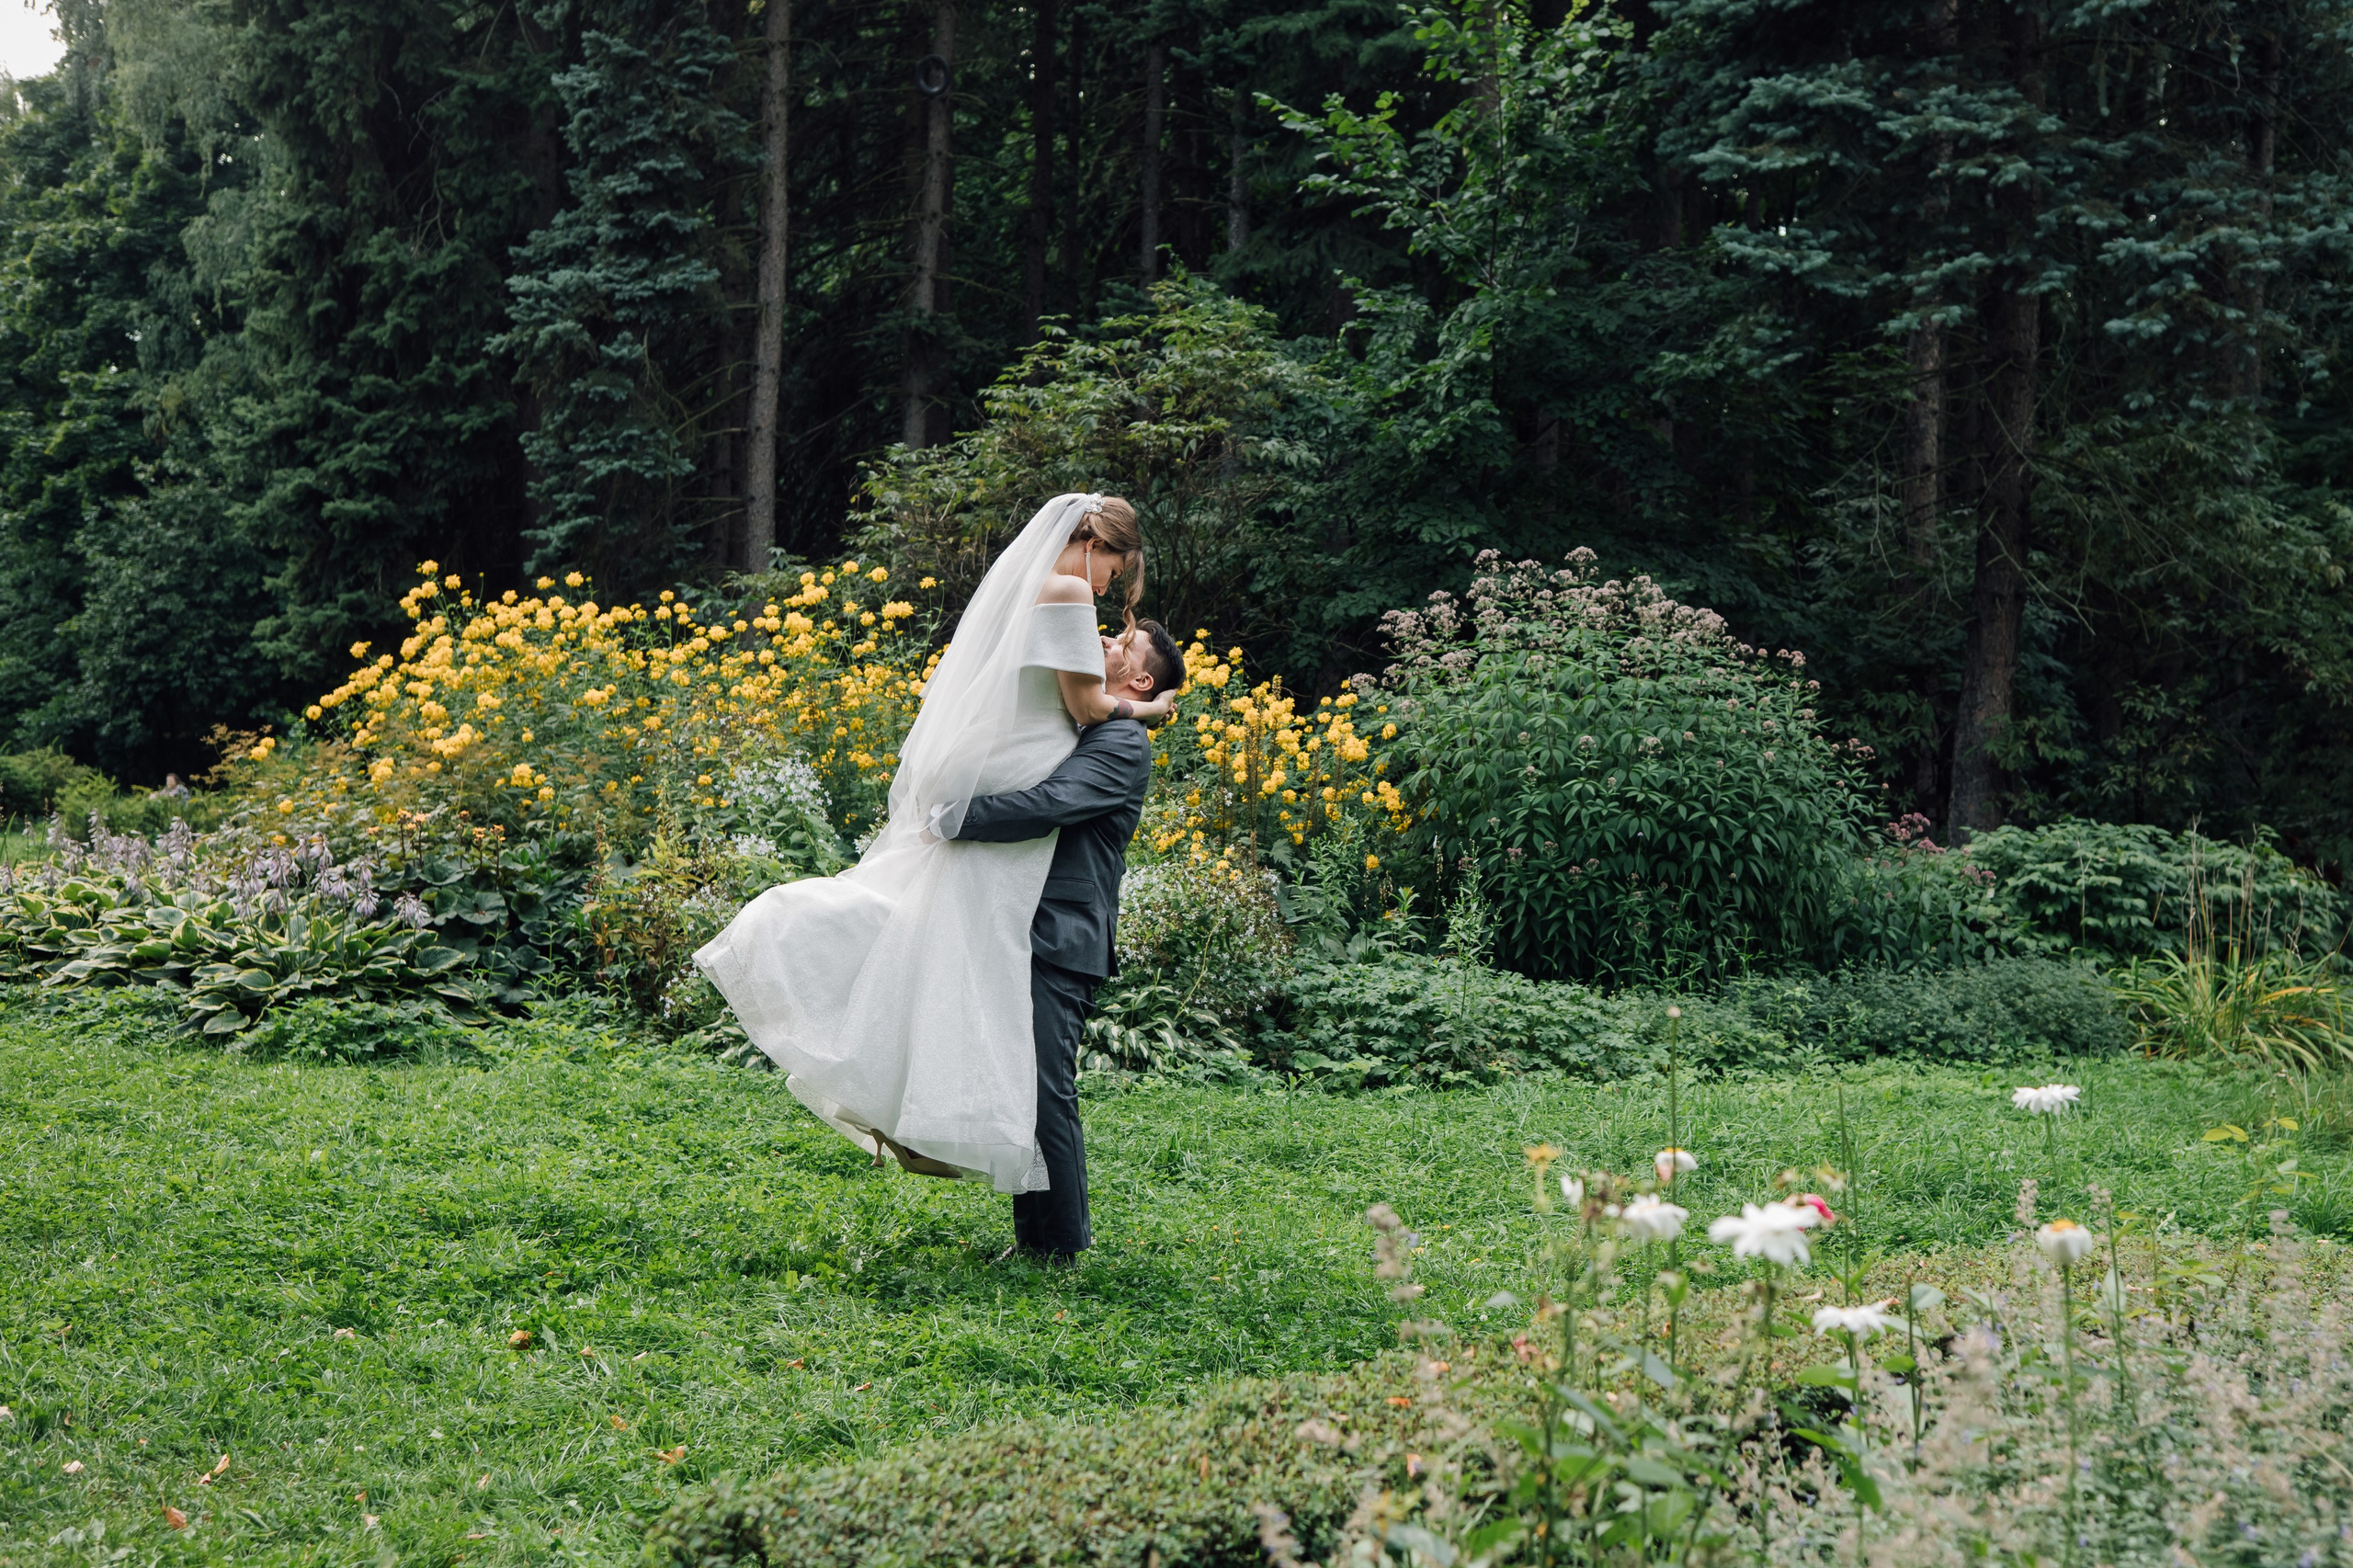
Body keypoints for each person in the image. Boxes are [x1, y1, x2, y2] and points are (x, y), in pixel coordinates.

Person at [694, 494, 1176, 1203]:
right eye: (1115, 567)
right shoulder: (1070, 590)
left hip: (1000, 797)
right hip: (1010, 791)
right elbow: (1083, 708)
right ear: (1093, 542)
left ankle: (921, 1123)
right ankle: (931, 1129)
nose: (1106, 591)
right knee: (949, 971)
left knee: (932, 956)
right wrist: (1150, 708)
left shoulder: (1027, 591)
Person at [933, 615, 1184, 1259]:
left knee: (1047, 1089)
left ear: (1139, 676)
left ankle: (1061, 1249)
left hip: (1064, 930)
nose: (1103, 639)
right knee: (1026, 1085)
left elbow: (1052, 803)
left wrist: (957, 817)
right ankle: (1035, 1241)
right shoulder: (1092, 719)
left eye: (1121, 644)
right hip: (1029, 924)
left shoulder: (1124, 744)